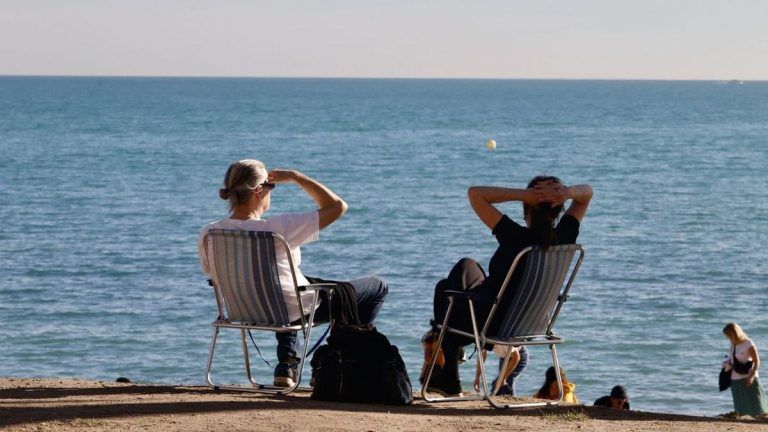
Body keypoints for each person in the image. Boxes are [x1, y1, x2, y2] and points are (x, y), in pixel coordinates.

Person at [198, 160, 388, 388]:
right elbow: (338, 206)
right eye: (270, 187)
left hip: (243, 309)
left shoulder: (210, 232)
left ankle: (286, 366)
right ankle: (335, 360)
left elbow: (213, 273)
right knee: (376, 287)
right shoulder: (277, 229)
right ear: (259, 191)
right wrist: (298, 177)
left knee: (288, 285)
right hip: (289, 310)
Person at [428, 176, 593, 396]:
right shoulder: (565, 237)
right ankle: (450, 363)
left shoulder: (515, 237)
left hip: (491, 323)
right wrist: (567, 192)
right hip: (529, 324)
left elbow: (475, 194)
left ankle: (450, 373)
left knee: (444, 288)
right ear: (558, 212)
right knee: (467, 266)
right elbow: (587, 194)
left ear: (526, 210)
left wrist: (524, 195)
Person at [722, 323, 768, 418]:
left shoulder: (748, 343)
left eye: (729, 335)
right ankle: (742, 418)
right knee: (739, 401)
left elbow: (757, 361)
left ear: (735, 333)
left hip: (749, 376)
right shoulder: (733, 345)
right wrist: (727, 363)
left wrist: (751, 376)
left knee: (756, 401)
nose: (728, 338)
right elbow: (732, 359)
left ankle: (761, 417)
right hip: (735, 377)